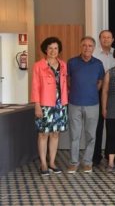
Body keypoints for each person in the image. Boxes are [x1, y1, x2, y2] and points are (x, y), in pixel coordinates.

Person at [67, 36, 105, 174]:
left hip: (92, 104)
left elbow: (100, 81)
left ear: (94, 48)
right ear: (80, 46)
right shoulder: (72, 62)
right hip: (74, 103)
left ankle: (87, 162)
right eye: (84, 45)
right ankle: (73, 162)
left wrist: (92, 92)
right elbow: (68, 80)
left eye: (90, 45)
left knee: (91, 135)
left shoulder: (98, 64)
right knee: (75, 135)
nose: (87, 48)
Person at [31, 37, 68, 176]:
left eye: (56, 48)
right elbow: (35, 86)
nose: (53, 51)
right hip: (45, 104)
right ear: (45, 50)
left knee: (55, 133)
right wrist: (37, 105)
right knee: (43, 134)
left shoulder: (63, 64)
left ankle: (52, 162)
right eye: (50, 48)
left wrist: (65, 102)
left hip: (60, 104)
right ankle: (43, 163)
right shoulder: (38, 65)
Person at [92, 30, 115, 166]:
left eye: (109, 37)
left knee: (112, 125)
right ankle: (96, 155)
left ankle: (110, 154)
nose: (106, 39)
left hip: (113, 92)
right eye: (103, 37)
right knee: (98, 125)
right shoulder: (94, 54)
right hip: (97, 91)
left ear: (113, 39)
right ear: (100, 39)